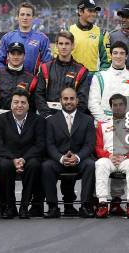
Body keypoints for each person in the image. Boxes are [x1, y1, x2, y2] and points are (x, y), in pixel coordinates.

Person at [42, 87, 96, 218]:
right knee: (46, 166)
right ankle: (53, 207)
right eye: (65, 98)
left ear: (77, 100)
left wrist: (77, 157)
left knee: (91, 164)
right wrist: (61, 158)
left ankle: (85, 206)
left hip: (80, 160)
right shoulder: (50, 121)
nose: (69, 101)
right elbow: (49, 145)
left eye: (72, 98)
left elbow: (89, 144)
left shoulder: (88, 120)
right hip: (59, 160)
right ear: (60, 100)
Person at [0, 89, 45, 219]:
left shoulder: (38, 120)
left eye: (23, 102)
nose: (19, 105)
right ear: (11, 104)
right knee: (5, 165)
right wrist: (13, 159)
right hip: (8, 157)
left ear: (28, 105)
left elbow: (40, 145)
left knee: (34, 165)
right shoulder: (1, 120)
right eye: (16, 102)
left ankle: (24, 207)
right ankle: (9, 207)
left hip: (29, 157)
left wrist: (23, 159)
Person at [94, 94, 129, 219]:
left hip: (126, 159)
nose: (118, 107)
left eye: (121, 105)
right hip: (109, 158)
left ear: (126, 106)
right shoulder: (102, 124)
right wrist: (109, 156)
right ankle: (102, 204)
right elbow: (98, 147)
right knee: (100, 163)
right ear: (110, 107)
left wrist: (125, 156)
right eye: (115, 105)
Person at [34, 31, 90, 118]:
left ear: (72, 46)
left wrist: (70, 117)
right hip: (47, 116)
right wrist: (47, 115)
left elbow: (82, 100)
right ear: (56, 45)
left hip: (71, 117)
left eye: (67, 44)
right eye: (61, 43)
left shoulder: (81, 71)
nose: (64, 47)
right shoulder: (45, 68)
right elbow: (38, 95)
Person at [0, 2, 52, 74]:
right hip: (10, 83)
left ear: (33, 18)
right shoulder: (7, 38)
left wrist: (38, 80)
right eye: (22, 14)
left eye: (28, 15)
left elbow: (47, 64)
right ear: (17, 17)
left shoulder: (42, 39)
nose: (25, 18)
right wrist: (6, 77)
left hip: (33, 83)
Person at [88, 41, 129, 123]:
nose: (118, 56)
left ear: (126, 56)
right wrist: (106, 122)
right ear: (111, 55)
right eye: (115, 53)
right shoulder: (99, 76)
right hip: (103, 125)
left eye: (122, 53)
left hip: (126, 126)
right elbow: (93, 103)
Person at [0, 42, 38, 118]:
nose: (16, 57)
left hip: (21, 121)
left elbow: (33, 106)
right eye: (13, 54)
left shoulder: (31, 79)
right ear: (8, 56)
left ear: (24, 56)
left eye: (19, 54)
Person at [68, 0, 110, 74]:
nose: (93, 14)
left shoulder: (102, 34)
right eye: (90, 11)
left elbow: (107, 61)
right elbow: (58, 57)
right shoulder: (68, 31)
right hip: (72, 77)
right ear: (80, 12)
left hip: (93, 79)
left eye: (94, 11)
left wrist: (99, 78)